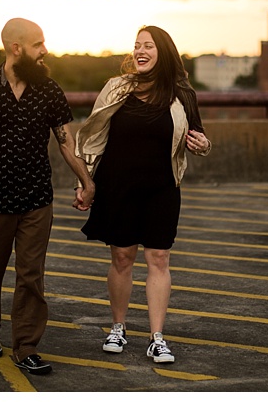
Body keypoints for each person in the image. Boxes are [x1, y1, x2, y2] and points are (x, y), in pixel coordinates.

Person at [0, 18, 95, 376]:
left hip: (37, 200)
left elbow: (66, 142)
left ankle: (26, 347)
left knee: (31, 276)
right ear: (16, 48)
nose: (45, 51)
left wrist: (87, 180)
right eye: (38, 44)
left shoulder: (48, 91)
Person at [73, 25, 211, 364]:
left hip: (162, 188)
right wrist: (84, 182)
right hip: (118, 186)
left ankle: (157, 337)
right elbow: (94, 139)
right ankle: (117, 327)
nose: (140, 51)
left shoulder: (182, 94)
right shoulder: (116, 88)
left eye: (148, 45)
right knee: (122, 257)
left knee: (159, 259)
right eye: (136, 46)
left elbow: (200, 138)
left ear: (163, 51)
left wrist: (204, 145)